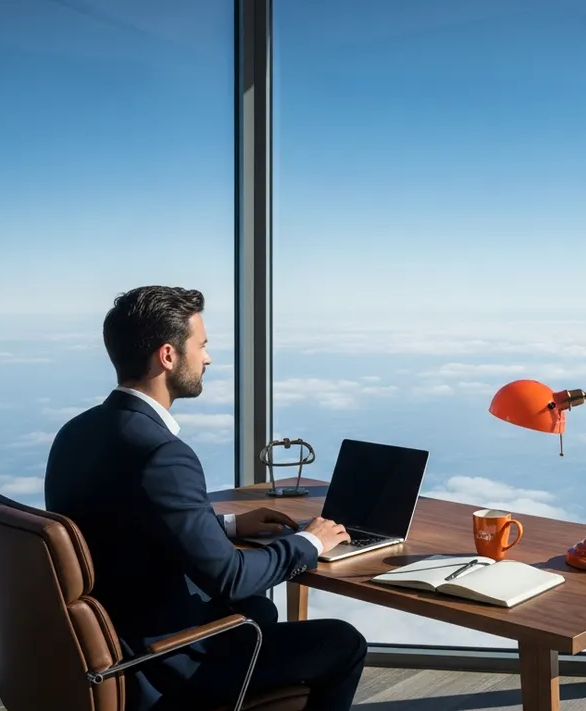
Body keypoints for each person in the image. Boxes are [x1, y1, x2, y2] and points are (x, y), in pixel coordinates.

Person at [43, 285, 366, 711]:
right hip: (165, 664)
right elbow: (229, 576)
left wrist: (230, 525)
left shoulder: (76, 433)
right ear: (168, 356)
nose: (208, 359)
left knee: (257, 611)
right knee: (344, 644)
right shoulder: (161, 454)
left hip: (115, 637)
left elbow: (120, 528)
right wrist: (311, 543)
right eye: (202, 346)